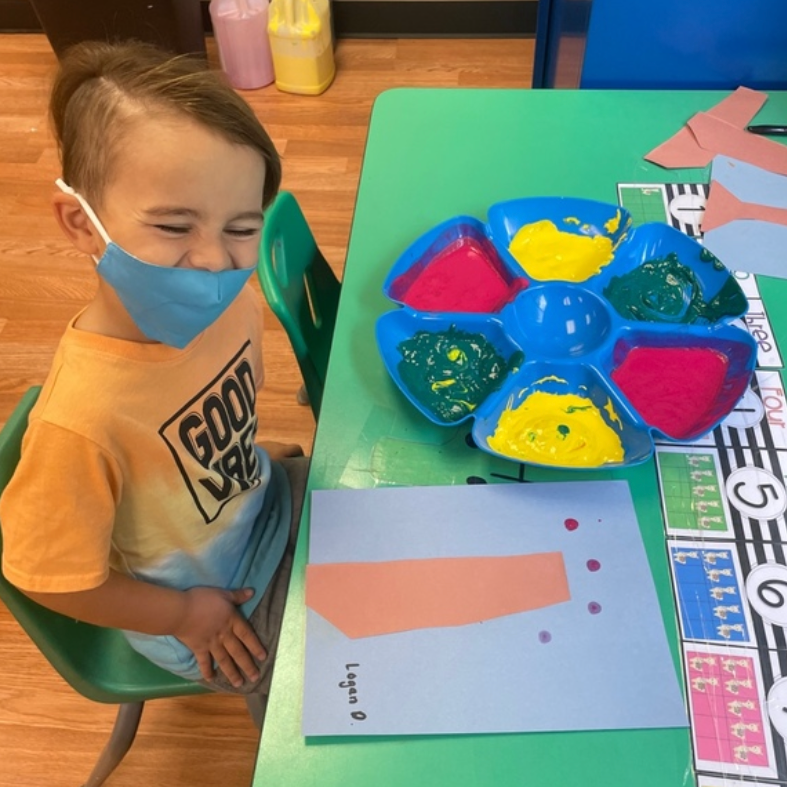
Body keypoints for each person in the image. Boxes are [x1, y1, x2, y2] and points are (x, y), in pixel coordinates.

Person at [0, 40, 309, 722]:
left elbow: (212, 428)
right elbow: (47, 577)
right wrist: (181, 612)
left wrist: (258, 459)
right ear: (82, 222)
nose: (211, 262)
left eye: (241, 227)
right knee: (325, 698)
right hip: (211, 605)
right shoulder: (79, 422)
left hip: (260, 507)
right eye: (174, 225)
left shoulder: (235, 299)